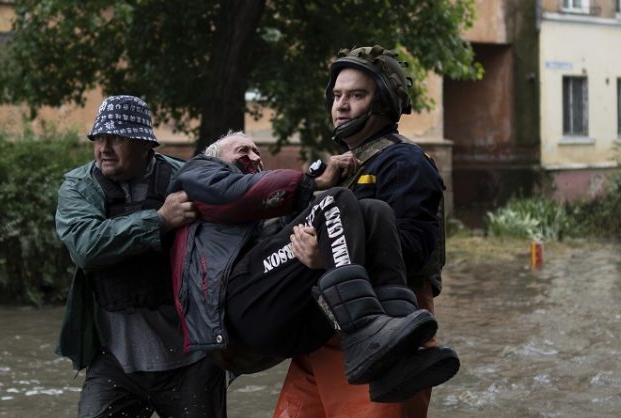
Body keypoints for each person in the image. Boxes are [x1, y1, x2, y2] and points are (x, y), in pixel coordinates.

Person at [257, 45, 453, 418]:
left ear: (384, 102)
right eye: (337, 95)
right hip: (324, 332)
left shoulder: (406, 164)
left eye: (356, 94)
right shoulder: (334, 168)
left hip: (387, 329)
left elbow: (413, 249)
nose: (341, 105)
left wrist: (334, 253)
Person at [54, 95, 238, 418]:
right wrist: (157, 221)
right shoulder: (79, 186)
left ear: (144, 144)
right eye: (98, 137)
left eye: (115, 138)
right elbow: (85, 245)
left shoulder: (184, 178)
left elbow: (244, 207)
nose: (104, 147)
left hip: (190, 358)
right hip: (117, 359)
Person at [168, 131, 459, 401]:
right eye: (243, 150)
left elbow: (279, 233)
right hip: (236, 315)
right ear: (214, 158)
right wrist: (313, 183)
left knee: (374, 211)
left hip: (281, 317)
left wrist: (320, 250)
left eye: (258, 151)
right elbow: (231, 193)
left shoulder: (261, 213)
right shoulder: (198, 172)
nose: (255, 157)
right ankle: (362, 334)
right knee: (336, 200)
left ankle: (400, 353)